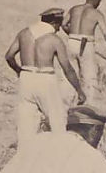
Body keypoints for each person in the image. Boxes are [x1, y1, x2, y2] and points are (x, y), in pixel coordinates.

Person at [5, 8, 85, 148]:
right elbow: (67, 68)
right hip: (45, 79)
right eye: (59, 25)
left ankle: (24, 160)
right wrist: (79, 90)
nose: (59, 29)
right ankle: (57, 157)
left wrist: (19, 70)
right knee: (57, 121)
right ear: (55, 22)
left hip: (26, 78)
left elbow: (9, 56)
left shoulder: (24, 34)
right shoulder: (54, 39)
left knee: (26, 126)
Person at [63, 0, 106, 98]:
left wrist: (73, 34)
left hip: (71, 42)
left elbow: (64, 24)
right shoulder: (96, 13)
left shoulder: (74, 9)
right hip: (86, 45)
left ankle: (68, 105)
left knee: (69, 76)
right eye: (99, 1)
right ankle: (89, 106)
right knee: (90, 79)